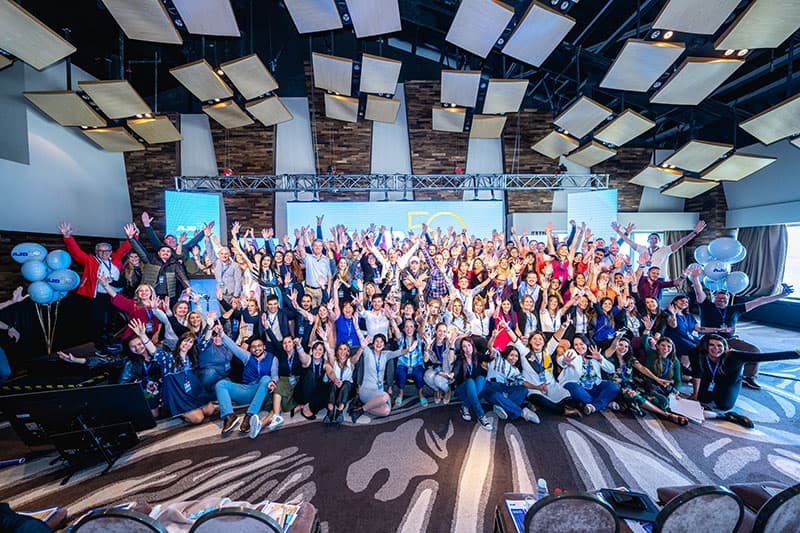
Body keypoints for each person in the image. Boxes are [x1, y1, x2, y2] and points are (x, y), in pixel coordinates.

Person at [691, 274, 794, 390]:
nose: (722, 301)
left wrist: (781, 295)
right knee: (706, 354)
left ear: (728, 299)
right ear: (713, 297)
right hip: (709, 339)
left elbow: (760, 301)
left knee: (754, 351)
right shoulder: (706, 306)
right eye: (719, 298)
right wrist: (695, 278)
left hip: (730, 340)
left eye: (724, 299)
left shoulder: (735, 309)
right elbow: (699, 291)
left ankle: (748, 377)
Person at [688, 334, 800, 428]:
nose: (715, 348)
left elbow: (764, 357)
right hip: (709, 380)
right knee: (702, 399)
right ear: (705, 346)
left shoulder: (735, 356)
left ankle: (729, 414)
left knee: (724, 406)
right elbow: (696, 373)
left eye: (719, 346)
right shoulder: (696, 353)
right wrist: (695, 393)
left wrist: (795, 354)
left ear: (725, 347)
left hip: (729, 383)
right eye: (711, 345)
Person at [59, 221, 131, 352]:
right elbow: (77, 253)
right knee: (99, 321)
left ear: (111, 251)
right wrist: (68, 238)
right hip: (99, 295)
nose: (104, 253)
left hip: (115, 295)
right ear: (96, 251)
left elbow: (126, 248)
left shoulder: (115, 258)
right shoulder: (91, 260)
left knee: (112, 319)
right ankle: (101, 345)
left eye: (107, 251)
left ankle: (110, 341)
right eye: (101, 251)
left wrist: (132, 237)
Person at [130, 319, 215, 424]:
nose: (187, 344)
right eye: (185, 340)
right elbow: (154, 350)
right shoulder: (169, 357)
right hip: (179, 395)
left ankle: (195, 408)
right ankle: (181, 413)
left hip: (193, 392)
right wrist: (143, 335)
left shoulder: (192, 358)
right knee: (198, 418)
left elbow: (205, 343)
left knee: (210, 410)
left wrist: (210, 326)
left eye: (190, 342)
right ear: (180, 341)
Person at [216, 328, 279, 437]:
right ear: (250, 349)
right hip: (248, 390)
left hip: (263, 391)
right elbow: (234, 348)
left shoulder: (273, 359)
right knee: (221, 384)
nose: (256, 349)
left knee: (266, 378)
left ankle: (249, 415)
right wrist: (222, 335)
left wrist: (273, 382)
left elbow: (275, 375)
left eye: (259, 346)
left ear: (264, 347)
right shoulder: (247, 357)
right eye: (253, 347)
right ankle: (229, 416)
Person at [557, 334, 620, 415]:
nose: (579, 347)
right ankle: (603, 404)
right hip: (576, 386)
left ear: (586, 343)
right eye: (576, 344)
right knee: (574, 388)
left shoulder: (595, 355)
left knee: (614, 387)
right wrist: (564, 361)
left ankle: (593, 406)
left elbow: (611, 369)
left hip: (594, 386)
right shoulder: (572, 353)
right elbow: (561, 360)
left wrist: (600, 359)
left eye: (581, 344)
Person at [611, 220, 707, 272]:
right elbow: (628, 241)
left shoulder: (665, 249)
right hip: (643, 275)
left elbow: (681, 242)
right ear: (648, 240)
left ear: (659, 240)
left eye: (656, 238)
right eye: (651, 238)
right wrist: (619, 231)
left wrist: (694, 232)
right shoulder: (642, 248)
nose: (653, 240)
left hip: (659, 277)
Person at [452, 336, 493, 431]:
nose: (467, 348)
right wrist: (452, 374)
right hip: (462, 391)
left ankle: (465, 406)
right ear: (461, 349)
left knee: (482, 378)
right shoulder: (460, 359)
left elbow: (490, 357)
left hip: (473, 391)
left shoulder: (477, 355)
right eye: (464, 346)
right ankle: (481, 416)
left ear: (472, 346)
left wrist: (492, 340)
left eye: (469, 345)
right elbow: (456, 370)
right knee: (470, 381)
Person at [324, 341, 362, 424]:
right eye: (340, 349)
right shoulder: (333, 361)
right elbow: (329, 352)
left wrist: (362, 348)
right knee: (333, 384)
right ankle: (330, 411)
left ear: (348, 352)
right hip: (334, 390)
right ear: (337, 351)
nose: (342, 351)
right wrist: (324, 339)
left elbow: (356, 357)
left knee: (347, 384)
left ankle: (339, 411)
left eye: (345, 349)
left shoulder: (350, 361)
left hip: (347, 391)